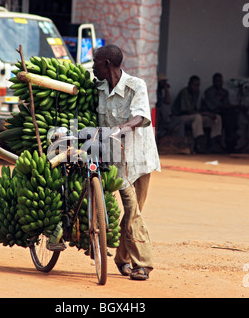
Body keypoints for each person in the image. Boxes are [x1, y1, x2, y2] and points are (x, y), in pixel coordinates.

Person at [93, 44, 160, 280]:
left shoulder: (135, 86)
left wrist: (123, 127)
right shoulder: (99, 89)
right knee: (132, 209)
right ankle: (142, 263)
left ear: (107, 65)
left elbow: (142, 116)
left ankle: (124, 260)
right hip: (115, 161)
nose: (93, 67)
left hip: (138, 159)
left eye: (95, 63)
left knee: (134, 212)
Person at [172, 75, 222, 153]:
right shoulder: (184, 92)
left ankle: (214, 142)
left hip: (193, 115)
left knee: (216, 118)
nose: (196, 87)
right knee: (197, 117)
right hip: (180, 117)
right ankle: (199, 143)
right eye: (194, 85)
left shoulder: (197, 93)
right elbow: (187, 110)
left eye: (198, 85)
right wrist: (205, 113)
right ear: (189, 84)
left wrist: (207, 114)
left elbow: (196, 109)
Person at [203, 73, 239, 152]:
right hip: (212, 111)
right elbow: (215, 105)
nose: (218, 83)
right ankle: (228, 141)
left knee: (232, 113)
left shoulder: (224, 92)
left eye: (220, 81)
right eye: (216, 81)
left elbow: (227, 104)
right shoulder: (209, 92)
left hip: (224, 111)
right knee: (227, 115)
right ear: (213, 82)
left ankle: (232, 139)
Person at [156, 73, 188, 153]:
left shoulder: (161, 92)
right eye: (162, 82)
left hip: (165, 119)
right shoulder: (155, 91)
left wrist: (166, 89)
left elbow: (167, 102)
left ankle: (180, 142)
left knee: (179, 121)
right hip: (158, 118)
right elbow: (165, 103)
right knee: (163, 108)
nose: (164, 84)